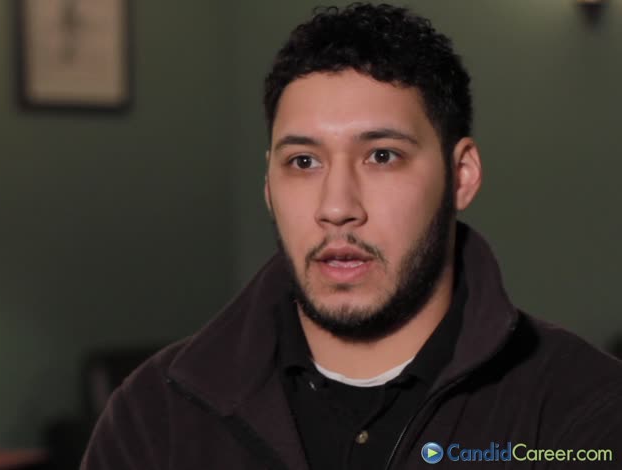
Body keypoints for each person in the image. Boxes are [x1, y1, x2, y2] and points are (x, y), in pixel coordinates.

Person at [81, 3, 622, 469]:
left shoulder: (584, 409)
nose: (336, 208)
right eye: (303, 161)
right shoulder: (153, 416)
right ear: (268, 186)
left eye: (382, 156)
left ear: (461, 176)